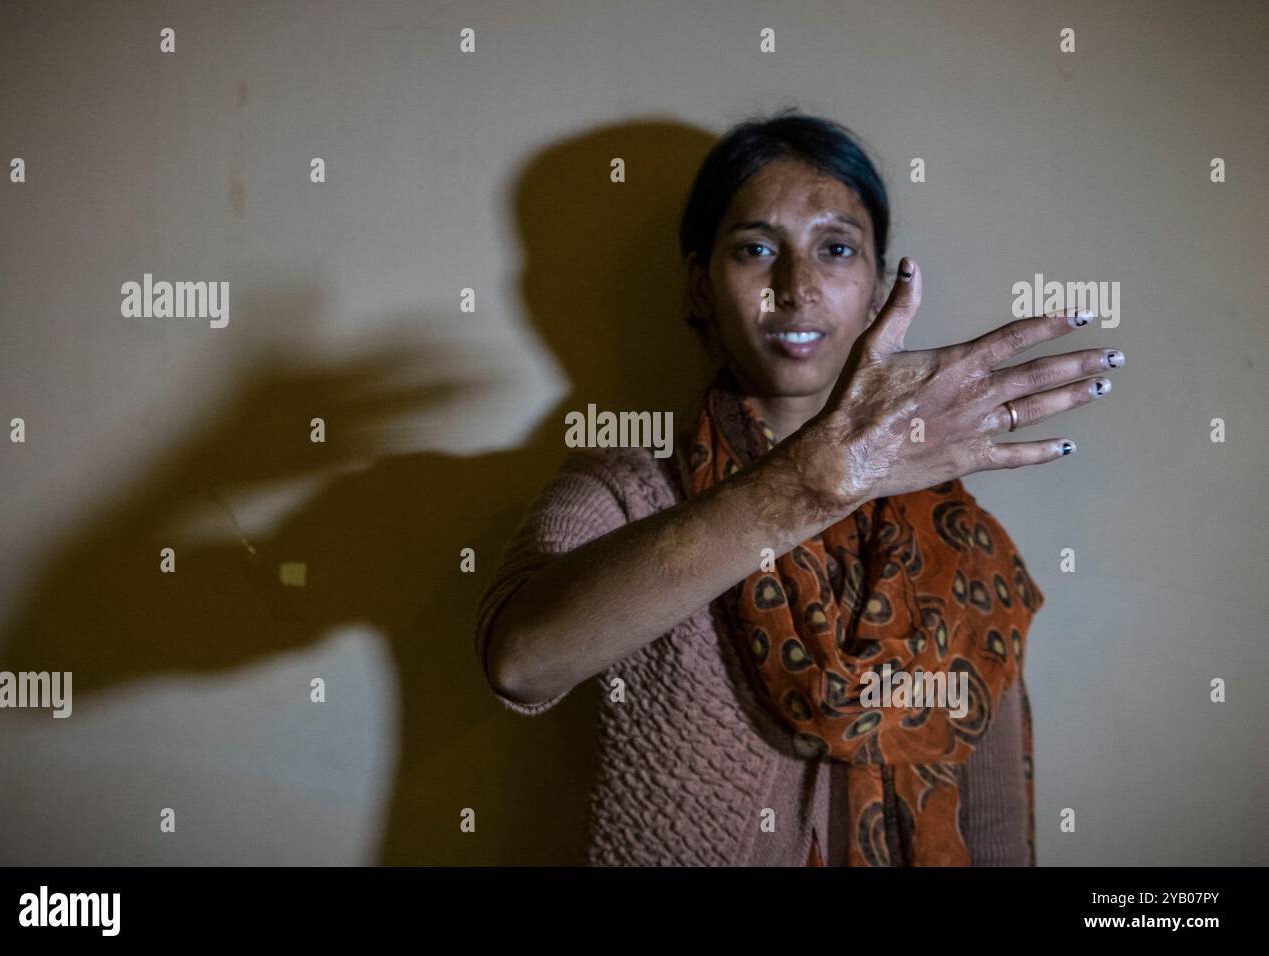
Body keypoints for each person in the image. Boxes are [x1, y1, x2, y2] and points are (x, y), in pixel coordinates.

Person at [473, 109, 1122, 866]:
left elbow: (996, 834)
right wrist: (811, 486)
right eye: (755, 249)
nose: (797, 286)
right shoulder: (630, 485)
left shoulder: (963, 548)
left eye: (836, 248)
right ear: (699, 284)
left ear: (878, 287)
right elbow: (520, 659)